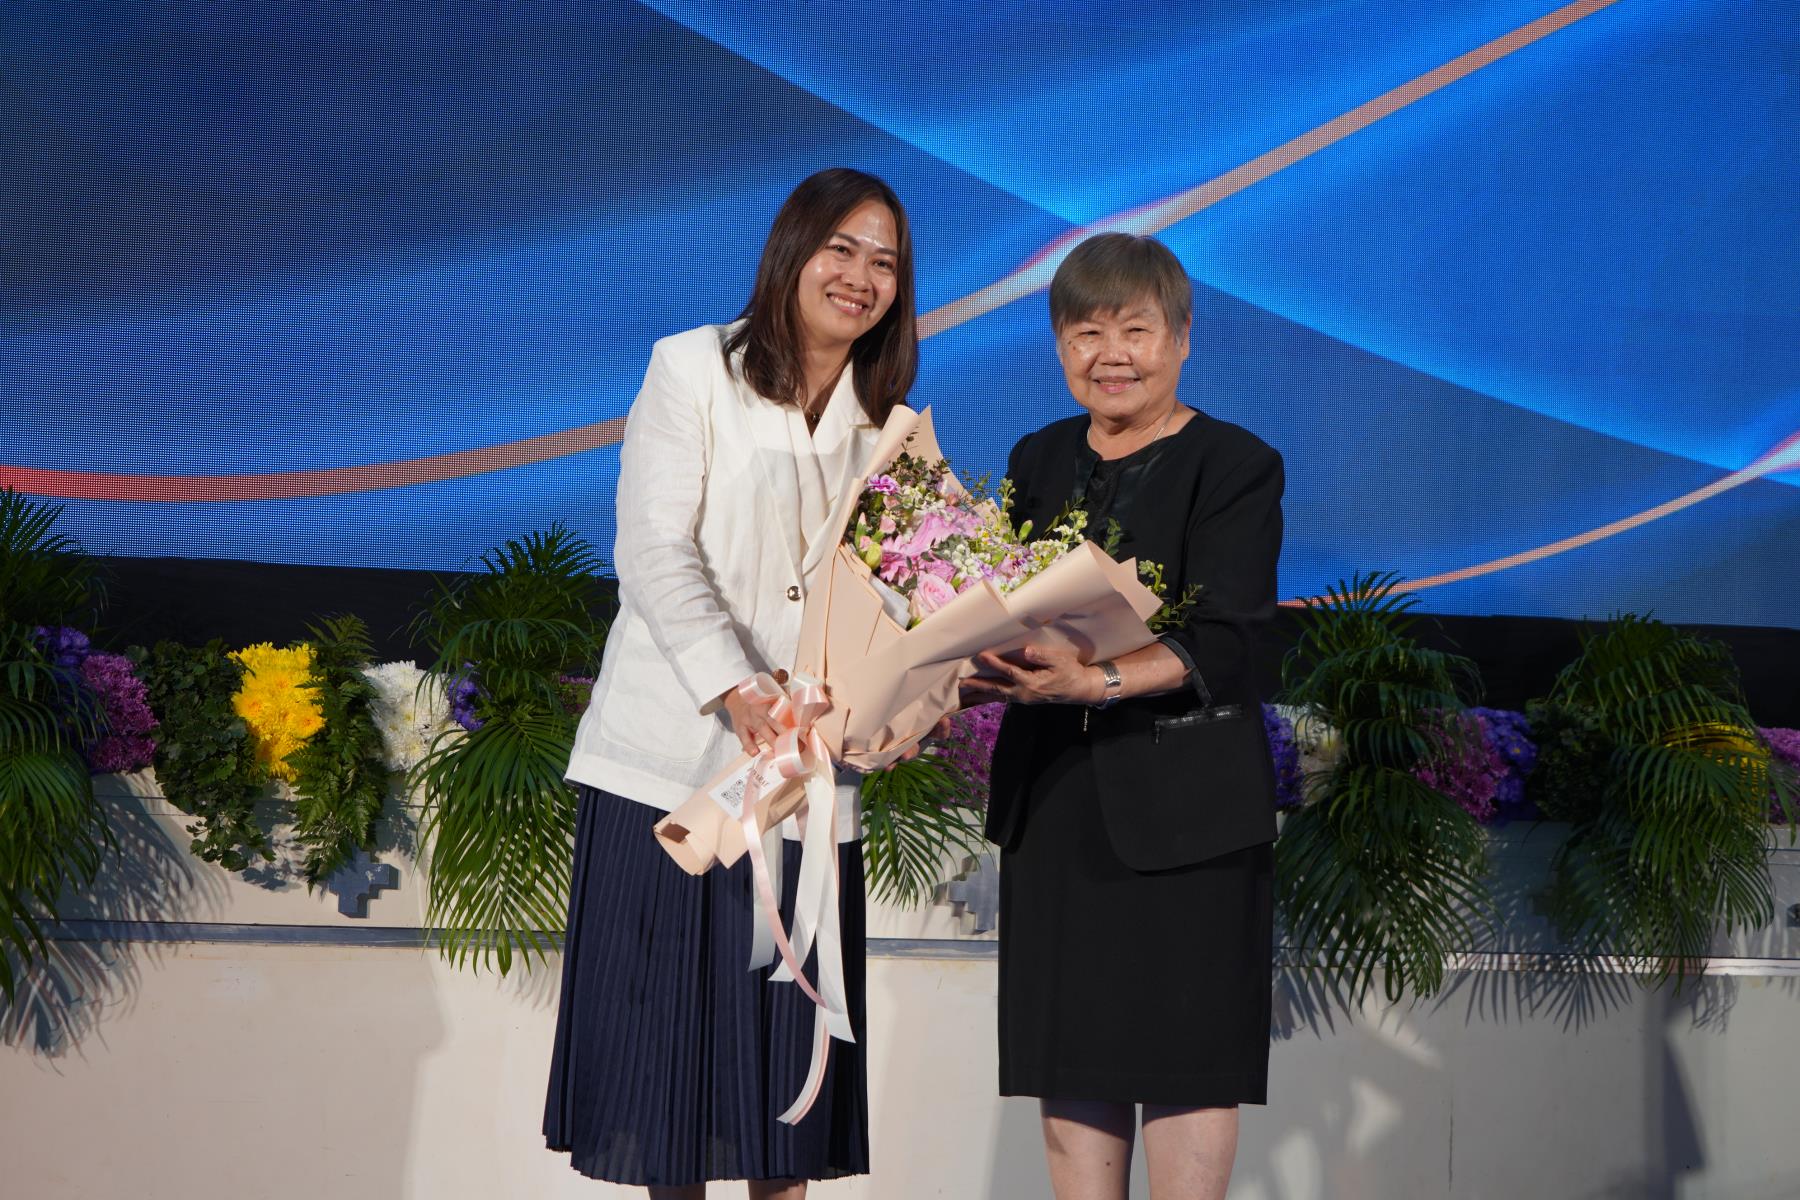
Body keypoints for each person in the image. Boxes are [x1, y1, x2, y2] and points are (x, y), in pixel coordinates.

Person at [544, 168, 917, 1199]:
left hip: (804, 787)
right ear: (792, 250)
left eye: (884, 262)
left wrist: (902, 703)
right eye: (840, 249)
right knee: (669, 1093)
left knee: (783, 1100)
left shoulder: (891, 429)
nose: (859, 277)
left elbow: (897, 603)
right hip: (674, 770)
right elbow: (653, 550)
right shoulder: (692, 367)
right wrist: (736, 686)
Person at [963, 232, 1284, 1200]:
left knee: (1186, 1067)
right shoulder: (1036, 456)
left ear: (1182, 339)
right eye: (1086, 333)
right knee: (1073, 1064)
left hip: (1189, 821)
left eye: (1135, 331)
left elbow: (1231, 642)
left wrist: (1097, 681)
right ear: (1060, 345)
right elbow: (1002, 610)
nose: (1111, 355)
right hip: (1057, 806)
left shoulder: (1234, 464)